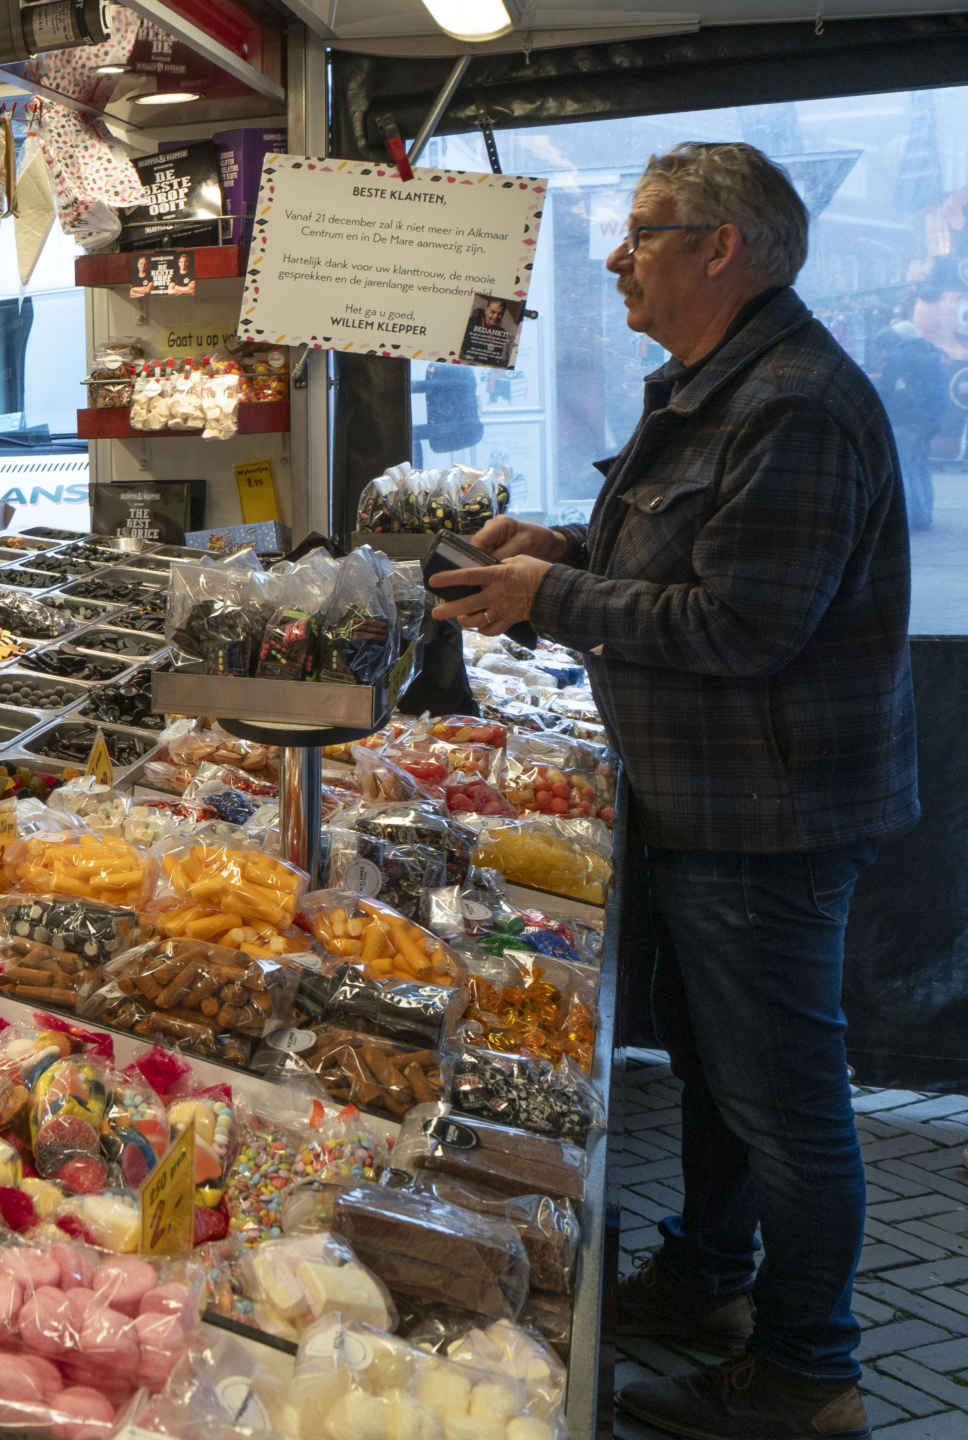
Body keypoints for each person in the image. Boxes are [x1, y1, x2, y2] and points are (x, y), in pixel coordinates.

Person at [431, 141, 916, 1440]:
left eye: (643, 230)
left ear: (725, 247)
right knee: (719, 1074)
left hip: (770, 817)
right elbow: (680, 555)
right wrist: (562, 545)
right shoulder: (722, 385)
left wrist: (554, 594)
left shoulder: (794, 405)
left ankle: (812, 1375)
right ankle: (709, 1282)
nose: (615, 256)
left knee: (786, 1102)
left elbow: (747, 624)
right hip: (713, 802)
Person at [870, 295, 944, 531]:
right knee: (921, 465)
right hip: (928, 420)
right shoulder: (931, 354)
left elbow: (890, 390)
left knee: (906, 469)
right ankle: (924, 514)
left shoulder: (898, 357)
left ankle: (910, 518)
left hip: (906, 420)